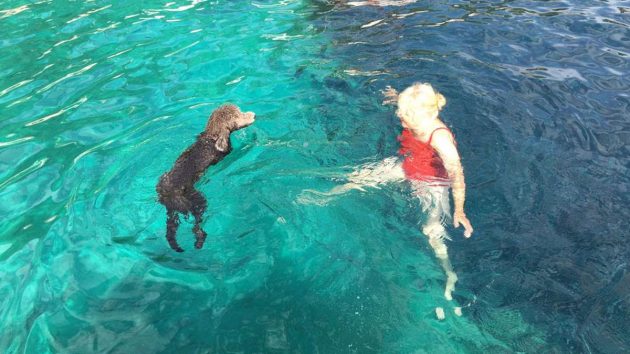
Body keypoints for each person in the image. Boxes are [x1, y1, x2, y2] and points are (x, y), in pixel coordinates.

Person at [299, 82, 473, 317]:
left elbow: (457, 174)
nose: (401, 120)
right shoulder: (413, 113)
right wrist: (395, 97)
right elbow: (405, 108)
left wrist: (459, 210)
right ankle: (325, 197)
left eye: (406, 117)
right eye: (400, 114)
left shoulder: (440, 138)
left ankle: (448, 275)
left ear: (425, 115)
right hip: (407, 166)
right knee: (357, 178)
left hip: (432, 183)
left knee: (431, 231)